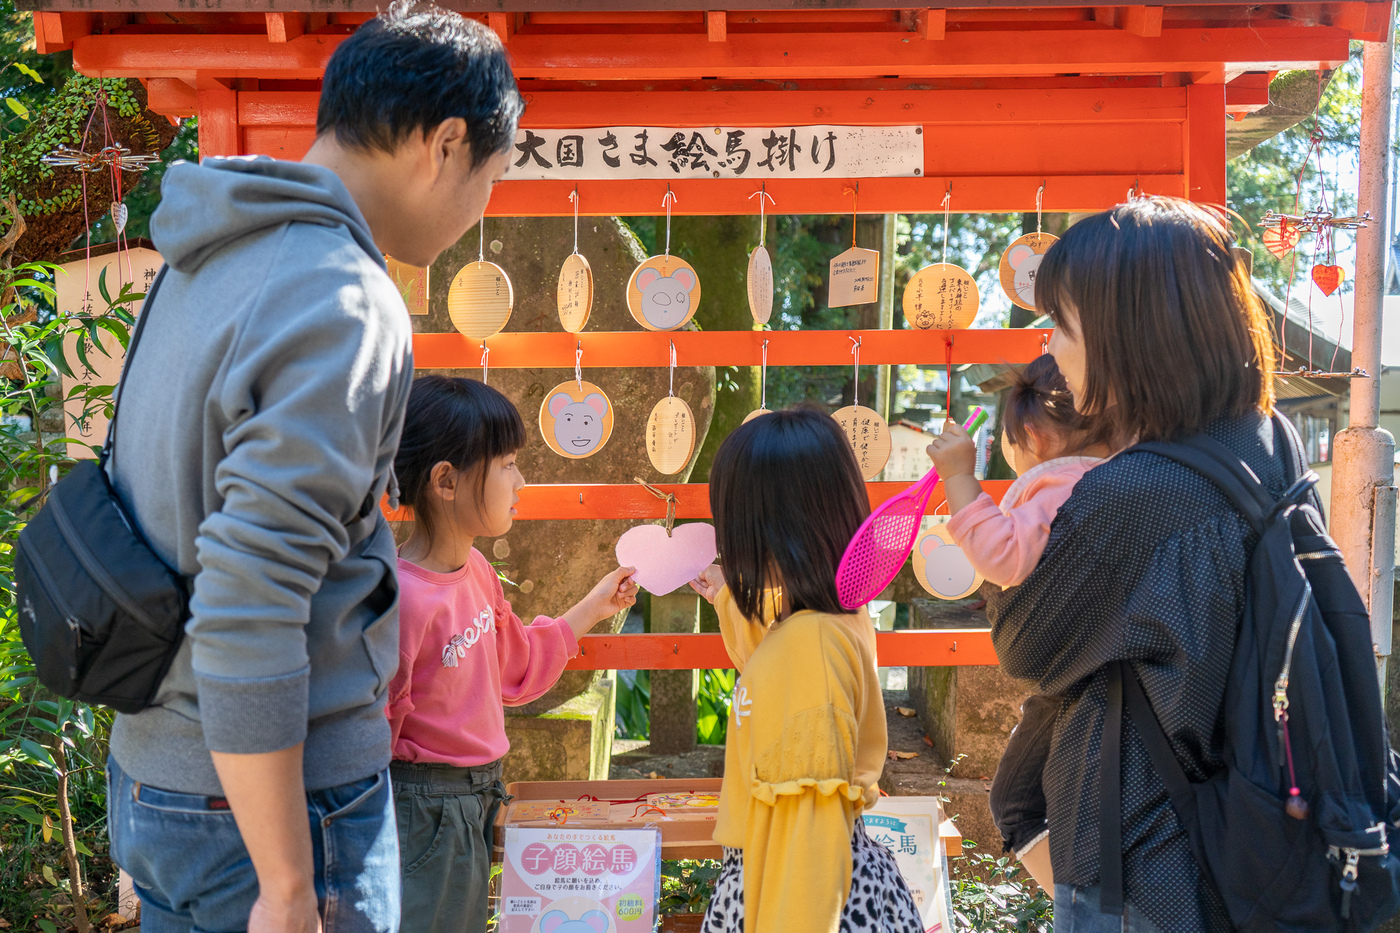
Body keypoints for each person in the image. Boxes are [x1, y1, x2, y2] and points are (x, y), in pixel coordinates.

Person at [103, 6, 523, 932]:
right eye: (491, 176)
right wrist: (289, 884)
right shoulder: (344, 300)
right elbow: (250, 594)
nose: (481, 205)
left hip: (156, 777)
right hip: (275, 811)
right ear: (445, 146)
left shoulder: (208, 257)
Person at [985, 197, 1313, 933]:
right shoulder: (1269, 440)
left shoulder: (1131, 494)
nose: (1055, 352)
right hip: (1257, 835)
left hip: (1148, 863)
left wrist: (1025, 511)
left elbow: (1026, 644)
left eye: (1063, 327)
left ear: (1122, 336)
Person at [386, 376, 638, 933]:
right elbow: (371, 732)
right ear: (446, 481)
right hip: (424, 809)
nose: (520, 480)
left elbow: (515, 664)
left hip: (476, 797)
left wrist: (593, 607)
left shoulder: (476, 571)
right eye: (507, 464)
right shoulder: (403, 600)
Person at [688, 408, 923, 933]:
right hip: (819, 885)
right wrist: (728, 597)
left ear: (761, 527)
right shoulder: (827, 621)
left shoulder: (810, 643)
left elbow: (807, 830)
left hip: (793, 893)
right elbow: (772, 667)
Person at [925, 354, 1115, 890]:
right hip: (1100, 670)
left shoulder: (1061, 486)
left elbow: (1002, 554)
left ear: (1033, 436)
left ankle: (1082, 912)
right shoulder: (1116, 480)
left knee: (1015, 803)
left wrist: (960, 478)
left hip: (1072, 681)